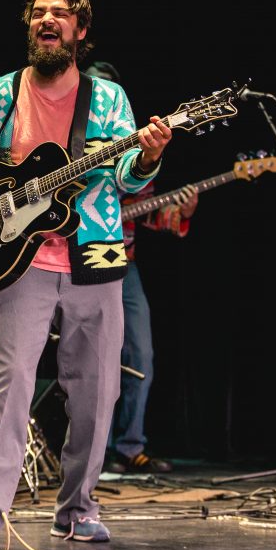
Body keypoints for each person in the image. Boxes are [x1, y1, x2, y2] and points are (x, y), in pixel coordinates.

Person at [0, 0, 172, 548]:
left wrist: (151, 154)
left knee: (97, 387)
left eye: (61, 14)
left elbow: (127, 177)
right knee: (10, 380)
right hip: (20, 258)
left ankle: (78, 507)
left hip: (98, 254)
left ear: (80, 32)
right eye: (39, 12)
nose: (48, 20)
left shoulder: (109, 100)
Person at [83, 62, 198, 475]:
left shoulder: (132, 147)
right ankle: (82, 454)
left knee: (140, 356)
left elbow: (145, 212)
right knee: (79, 362)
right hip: (61, 262)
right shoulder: (61, 139)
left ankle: (129, 446)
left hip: (121, 265)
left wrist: (175, 211)